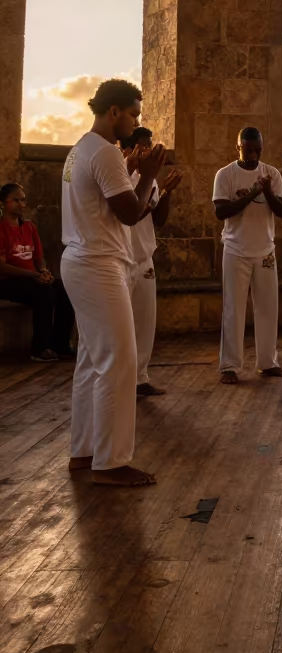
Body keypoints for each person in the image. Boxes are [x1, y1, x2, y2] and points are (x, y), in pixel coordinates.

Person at [62, 78, 167, 487]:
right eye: (134, 114)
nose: (137, 121)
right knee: (120, 361)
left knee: (91, 361)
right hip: (98, 264)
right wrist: (148, 176)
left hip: (81, 259)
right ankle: (111, 462)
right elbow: (128, 213)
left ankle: (84, 451)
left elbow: (101, 200)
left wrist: (133, 169)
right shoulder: (105, 152)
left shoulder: (79, 150)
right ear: (115, 113)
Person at [213, 127, 282, 384]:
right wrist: (254, 193)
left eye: (258, 150)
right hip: (236, 250)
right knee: (233, 309)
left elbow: (281, 211)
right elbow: (221, 212)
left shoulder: (273, 174)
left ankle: (268, 362)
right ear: (239, 149)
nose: (254, 155)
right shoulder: (225, 175)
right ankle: (230, 367)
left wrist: (265, 190)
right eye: (248, 151)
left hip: (265, 250)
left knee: (268, 308)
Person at [120, 126, 183, 398]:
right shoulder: (119, 175)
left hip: (144, 257)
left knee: (145, 322)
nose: (149, 151)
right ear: (129, 149)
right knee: (122, 324)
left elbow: (157, 220)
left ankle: (140, 378)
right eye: (143, 146)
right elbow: (131, 214)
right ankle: (120, 381)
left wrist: (166, 191)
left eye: (150, 145)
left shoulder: (151, 179)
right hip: (120, 259)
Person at [0, 182, 75, 362]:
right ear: (3, 203)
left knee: (65, 289)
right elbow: (1, 266)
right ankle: (40, 348)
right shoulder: (1, 229)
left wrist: (43, 271)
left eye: (23, 200)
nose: (21, 204)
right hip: (7, 281)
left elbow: (39, 257)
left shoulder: (29, 227)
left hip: (31, 279)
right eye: (15, 200)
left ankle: (60, 344)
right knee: (44, 292)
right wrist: (33, 275)